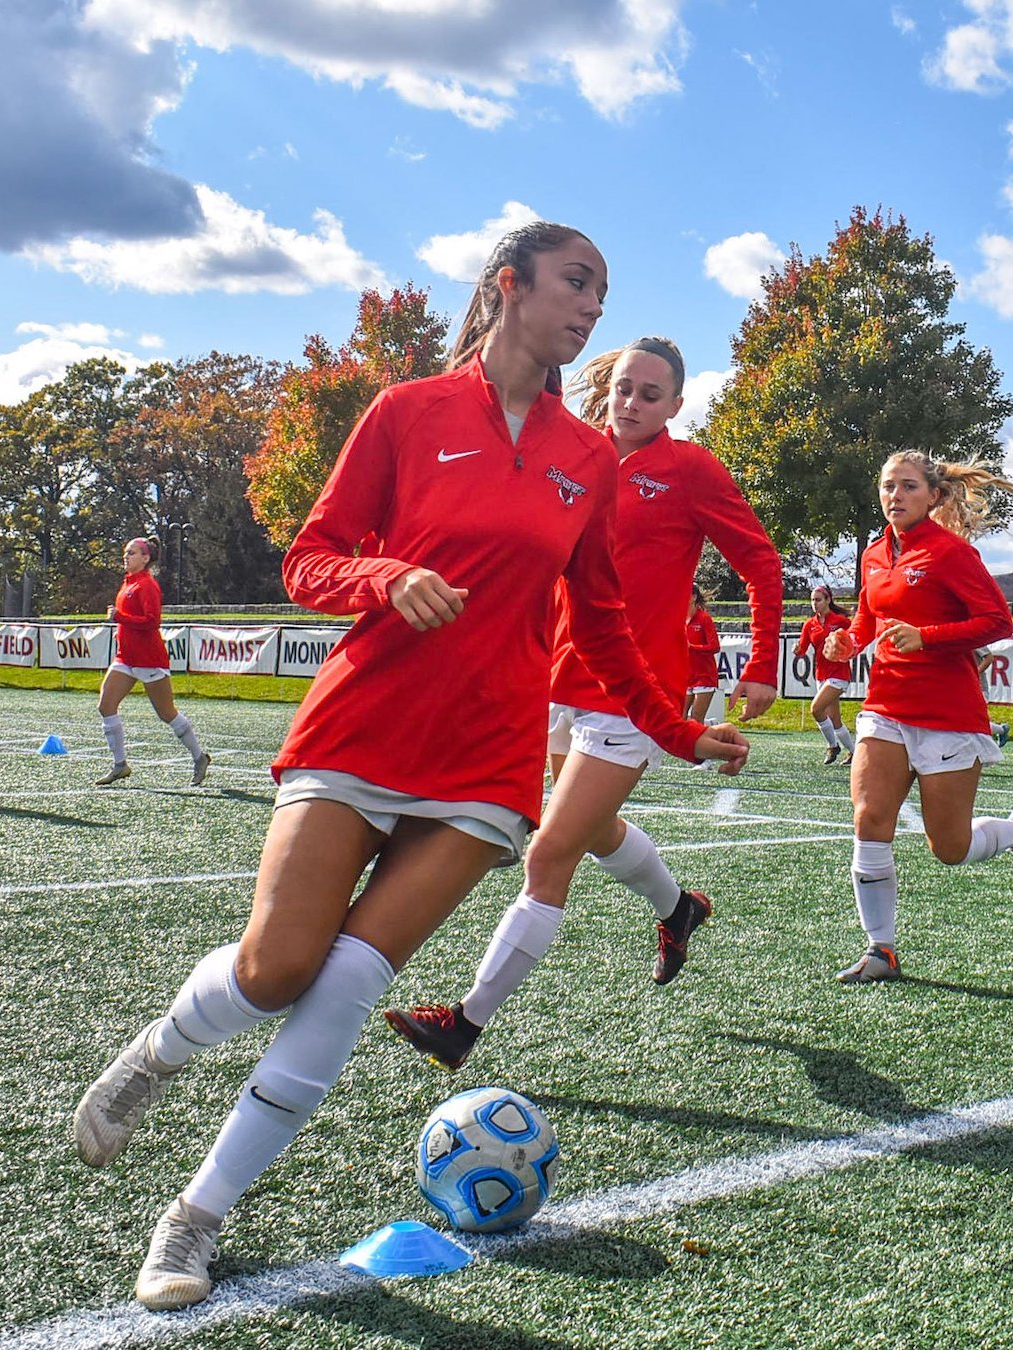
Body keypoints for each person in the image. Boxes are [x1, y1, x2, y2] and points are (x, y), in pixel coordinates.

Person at [68, 222, 748, 1312]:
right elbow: (309, 558)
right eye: (577, 283)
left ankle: (193, 1220)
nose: (591, 308)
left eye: (603, 292)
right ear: (507, 287)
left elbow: (607, 624)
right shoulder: (406, 413)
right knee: (279, 964)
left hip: (485, 764)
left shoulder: (586, 459)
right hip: (363, 728)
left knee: (342, 987)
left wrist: (674, 730)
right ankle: (159, 1051)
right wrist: (382, 575)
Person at [384, 334, 784, 1071]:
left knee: (551, 852)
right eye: (625, 388)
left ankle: (464, 1025)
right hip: (554, 680)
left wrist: (762, 665)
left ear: (676, 406)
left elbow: (761, 562)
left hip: (635, 693)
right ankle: (678, 908)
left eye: (650, 395)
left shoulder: (690, 470)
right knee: (595, 829)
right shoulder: (574, 452)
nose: (631, 403)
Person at [819, 451, 1013, 983]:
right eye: (886, 486)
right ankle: (881, 951)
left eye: (906, 486)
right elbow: (868, 621)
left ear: (934, 496)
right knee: (870, 818)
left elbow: (997, 620)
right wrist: (846, 641)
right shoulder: (874, 553)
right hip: (886, 706)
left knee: (950, 848)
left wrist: (928, 637)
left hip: (948, 713)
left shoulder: (951, 553)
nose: (893, 495)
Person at [94, 538, 210, 787]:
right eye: (125, 552)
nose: (126, 556)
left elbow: (151, 622)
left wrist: (121, 618)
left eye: (132, 553)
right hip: (125, 658)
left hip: (149, 659)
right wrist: (120, 625)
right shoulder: (128, 584)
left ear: (146, 558)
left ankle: (199, 757)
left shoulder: (147, 585)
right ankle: (120, 765)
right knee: (106, 705)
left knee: (167, 713)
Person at [797, 584, 857, 764]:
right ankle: (855, 753)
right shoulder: (810, 624)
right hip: (821, 674)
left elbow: (856, 637)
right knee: (835, 720)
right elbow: (802, 648)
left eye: (818, 600)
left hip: (839, 673)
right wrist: (797, 649)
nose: (814, 604)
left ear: (828, 600)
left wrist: (848, 648)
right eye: (812, 600)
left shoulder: (840, 621)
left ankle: (833, 746)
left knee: (816, 709)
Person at [684, 585, 723, 723]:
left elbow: (715, 647)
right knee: (678, 719)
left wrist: (692, 647)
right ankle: (711, 726)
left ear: (694, 597)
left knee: (696, 719)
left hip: (704, 676)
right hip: (685, 676)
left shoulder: (704, 618)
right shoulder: (678, 618)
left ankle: (709, 735)